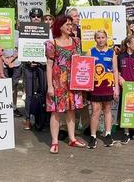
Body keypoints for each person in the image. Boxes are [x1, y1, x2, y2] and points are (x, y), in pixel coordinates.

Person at [46, 15, 87, 153]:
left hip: (73, 81)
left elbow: (81, 60)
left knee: (71, 110)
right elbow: (49, 65)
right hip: (58, 82)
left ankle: (72, 138)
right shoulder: (52, 44)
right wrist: (50, 86)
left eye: (71, 24)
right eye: (67, 24)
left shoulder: (76, 41)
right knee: (56, 111)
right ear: (60, 26)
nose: (70, 26)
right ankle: (54, 141)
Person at [86, 30, 117, 148]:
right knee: (96, 110)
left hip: (108, 86)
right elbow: (86, 69)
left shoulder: (112, 52)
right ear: (95, 39)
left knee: (107, 110)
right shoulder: (90, 51)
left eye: (103, 37)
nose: (100, 40)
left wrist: (116, 88)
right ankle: (93, 136)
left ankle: (108, 134)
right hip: (95, 86)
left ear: (106, 38)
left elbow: (115, 71)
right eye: (98, 38)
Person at [22, 8, 47, 130]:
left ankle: (42, 119)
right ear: (30, 18)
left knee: (43, 92)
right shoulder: (24, 30)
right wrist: (28, 61)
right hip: (29, 66)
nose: (35, 18)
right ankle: (27, 119)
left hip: (42, 66)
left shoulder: (47, 30)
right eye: (33, 16)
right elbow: (22, 48)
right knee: (29, 94)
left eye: (38, 16)